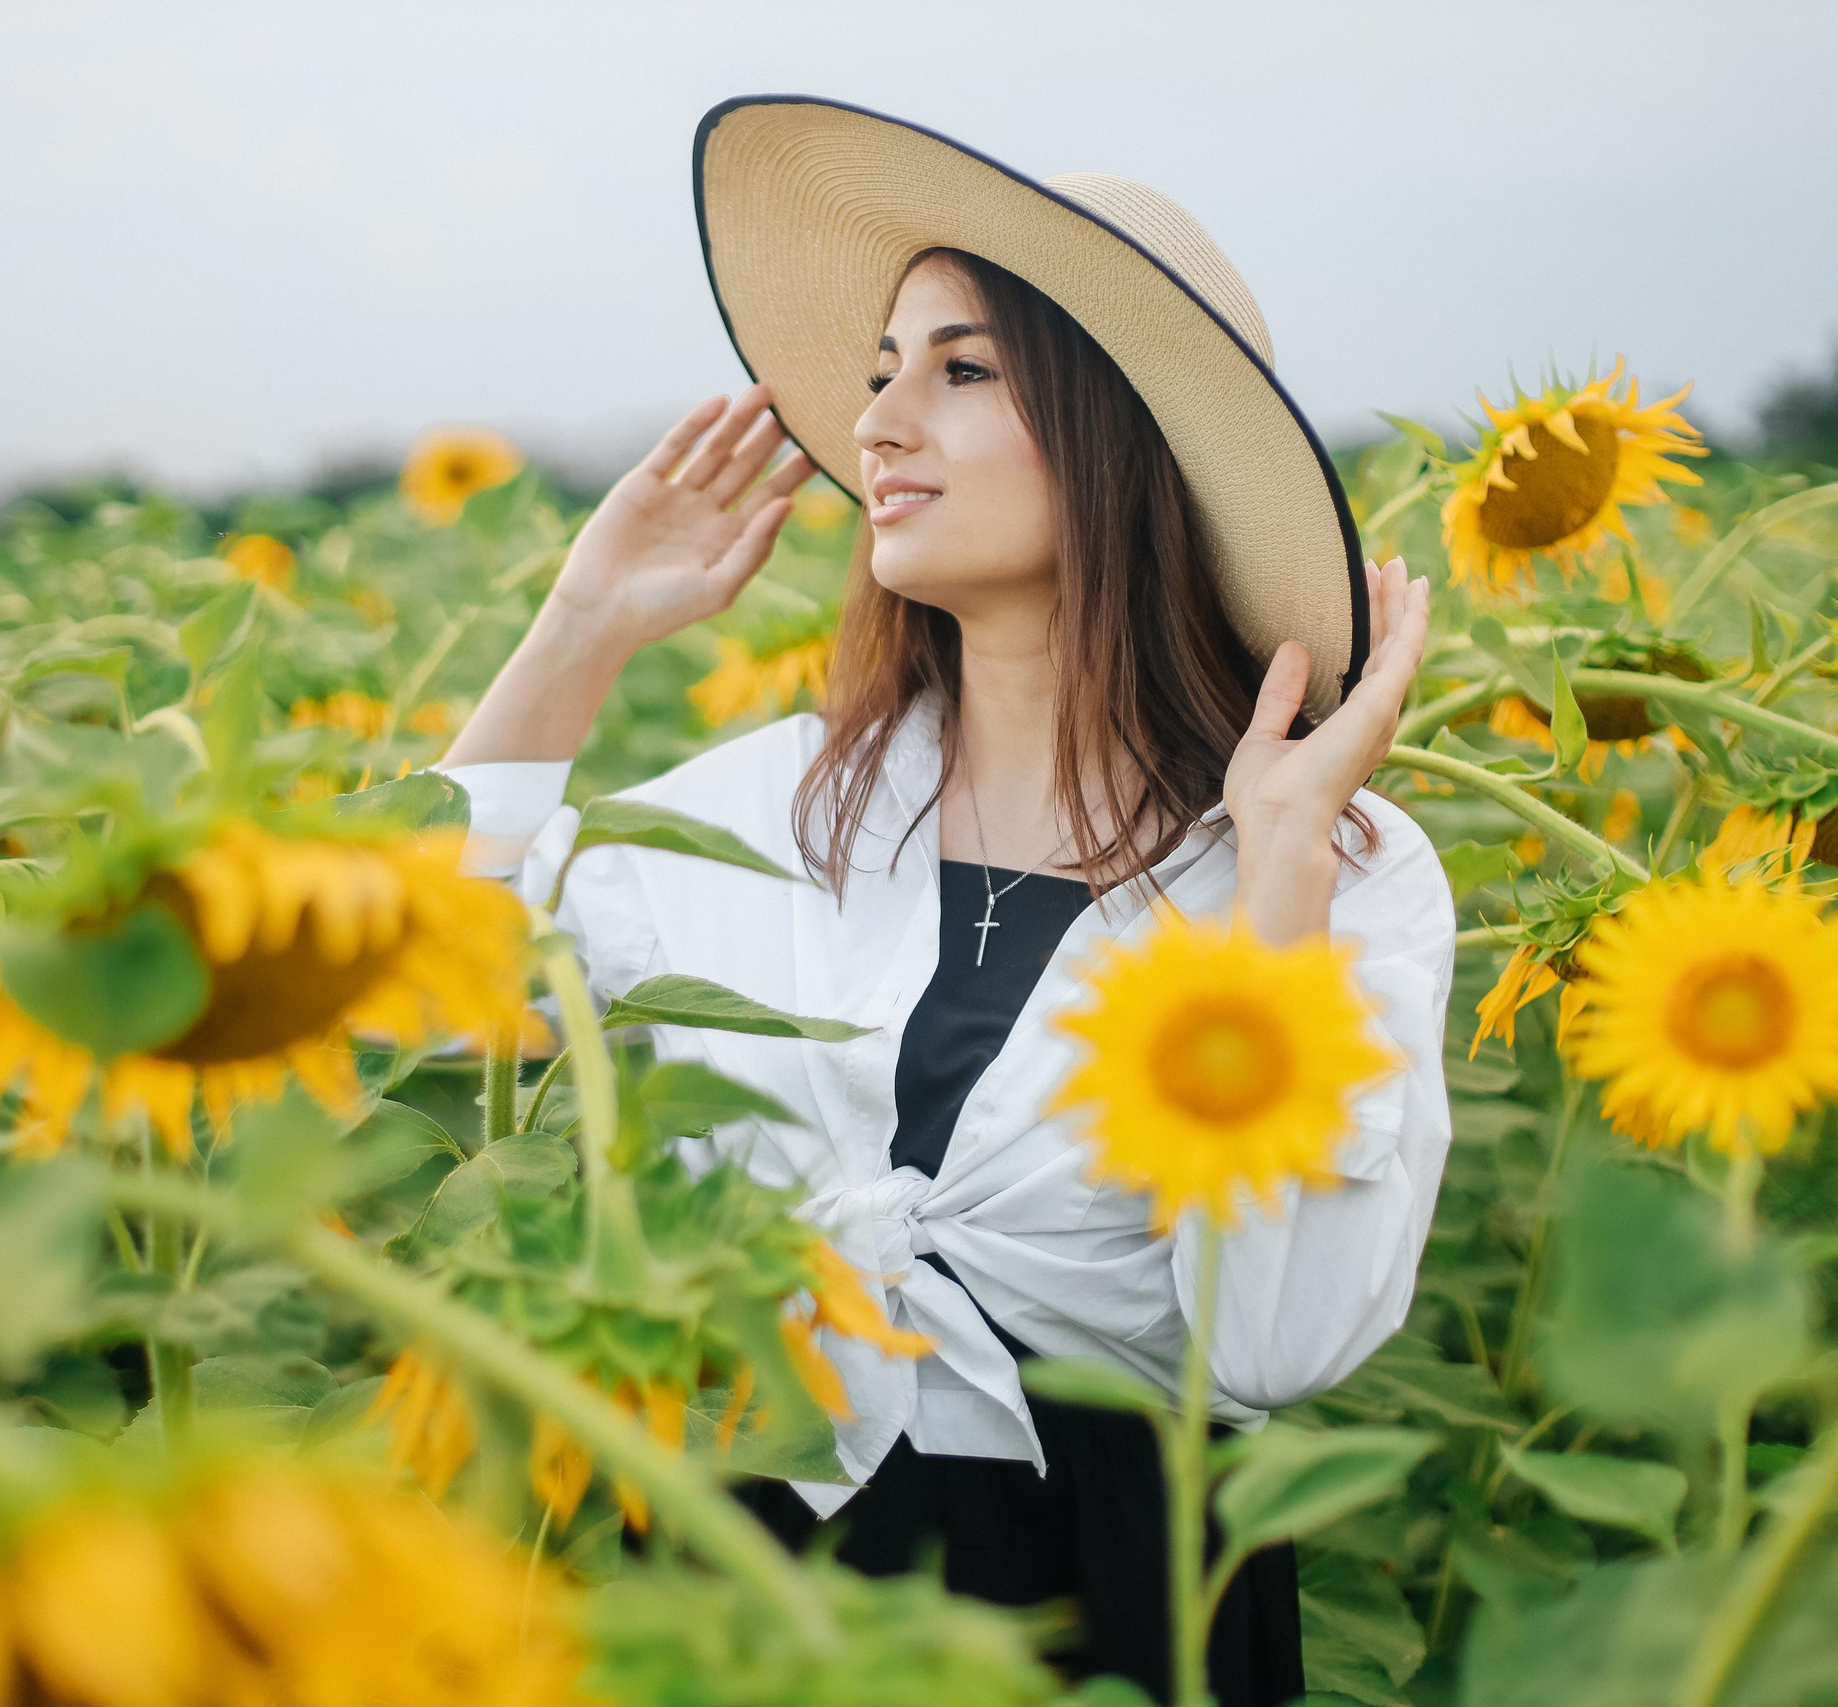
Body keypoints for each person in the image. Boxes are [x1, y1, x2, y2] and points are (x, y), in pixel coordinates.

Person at [438, 96, 1452, 1707]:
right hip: (752, 1575)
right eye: (882, 372)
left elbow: (1270, 1343)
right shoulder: (775, 802)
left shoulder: (1336, 869)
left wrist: (1274, 877)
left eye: (962, 370)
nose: (884, 423)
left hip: (1118, 1612)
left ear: (1128, 439)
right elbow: (422, 999)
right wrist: (580, 630)